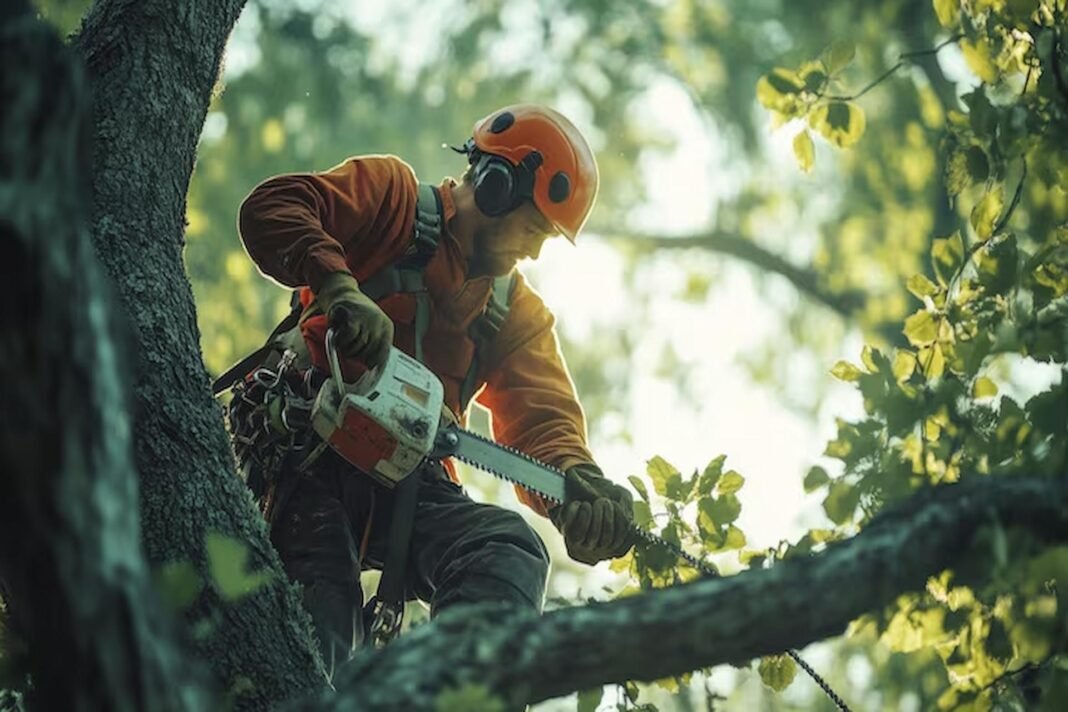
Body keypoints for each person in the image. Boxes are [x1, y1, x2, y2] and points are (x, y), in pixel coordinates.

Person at [233, 104, 634, 674]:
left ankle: (455, 693)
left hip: (411, 481)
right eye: (534, 229)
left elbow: (544, 422)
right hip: (310, 448)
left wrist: (577, 488)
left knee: (508, 549)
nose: (534, 251)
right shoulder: (393, 201)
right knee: (321, 629)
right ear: (496, 186)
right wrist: (340, 287)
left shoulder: (515, 312)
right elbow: (274, 207)